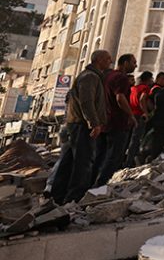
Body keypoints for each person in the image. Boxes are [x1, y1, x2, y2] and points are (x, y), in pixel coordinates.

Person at [50, 50, 112, 204]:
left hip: (77, 124)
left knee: (69, 161)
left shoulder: (91, 76)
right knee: (83, 163)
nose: (110, 62)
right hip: (82, 125)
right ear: (99, 60)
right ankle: (75, 197)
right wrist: (94, 123)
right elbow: (86, 101)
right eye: (108, 59)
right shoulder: (90, 77)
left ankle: (58, 196)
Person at [93, 53, 137, 186]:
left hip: (104, 121)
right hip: (117, 122)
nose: (136, 65)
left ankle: (91, 182)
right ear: (125, 63)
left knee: (100, 156)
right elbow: (120, 98)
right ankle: (100, 185)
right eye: (133, 62)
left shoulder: (107, 76)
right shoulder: (121, 78)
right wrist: (131, 115)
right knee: (114, 157)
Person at [126, 71, 153, 167]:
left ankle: (126, 159)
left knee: (129, 138)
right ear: (149, 79)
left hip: (130, 115)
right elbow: (142, 99)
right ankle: (129, 162)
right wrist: (146, 112)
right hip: (139, 115)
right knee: (136, 139)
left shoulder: (133, 88)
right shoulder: (145, 88)